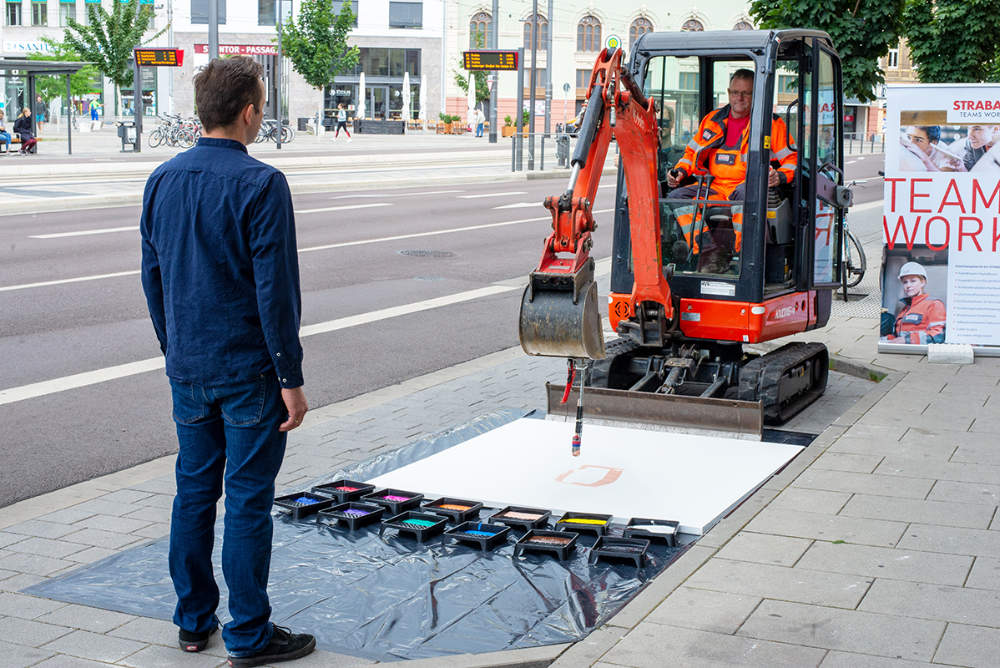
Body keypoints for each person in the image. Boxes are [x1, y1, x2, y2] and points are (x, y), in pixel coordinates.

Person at [140, 56, 315, 667]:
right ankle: (248, 635)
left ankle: (192, 623)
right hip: (249, 373)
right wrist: (290, 378)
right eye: (262, 106)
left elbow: (153, 277)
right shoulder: (263, 184)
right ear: (248, 111)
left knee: (193, 493)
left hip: (188, 368)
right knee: (246, 499)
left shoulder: (162, 179)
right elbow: (277, 293)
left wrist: (174, 348)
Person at [665, 68, 797, 271]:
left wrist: (779, 176)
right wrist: (679, 172)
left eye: (746, 93)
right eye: (735, 92)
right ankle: (709, 251)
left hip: (745, 186)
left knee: (746, 195)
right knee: (677, 197)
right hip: (715, 187)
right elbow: (691, 154)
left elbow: (791, 159)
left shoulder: (770, 124)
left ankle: (745, 256)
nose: (740, 97)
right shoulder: (712, 120)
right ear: (729, 92)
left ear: (756, 94)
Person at [884, 261, 946, 345]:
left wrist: (907, 340)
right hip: (904, 350)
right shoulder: (905, 309)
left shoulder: (934, 304)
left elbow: (938, 336)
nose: (908, 285)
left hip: (919, 353)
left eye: (913, 281)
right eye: (905, 282)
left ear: (923, 282)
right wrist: (887, 339)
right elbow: (899, 336)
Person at [900, 126, 964, 172]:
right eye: (909, 137)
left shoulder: (946, 155)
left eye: (918, 140)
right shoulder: (904, 144)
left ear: (934, 143)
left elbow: (940, 179)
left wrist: (925, 159)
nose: (911, 143)